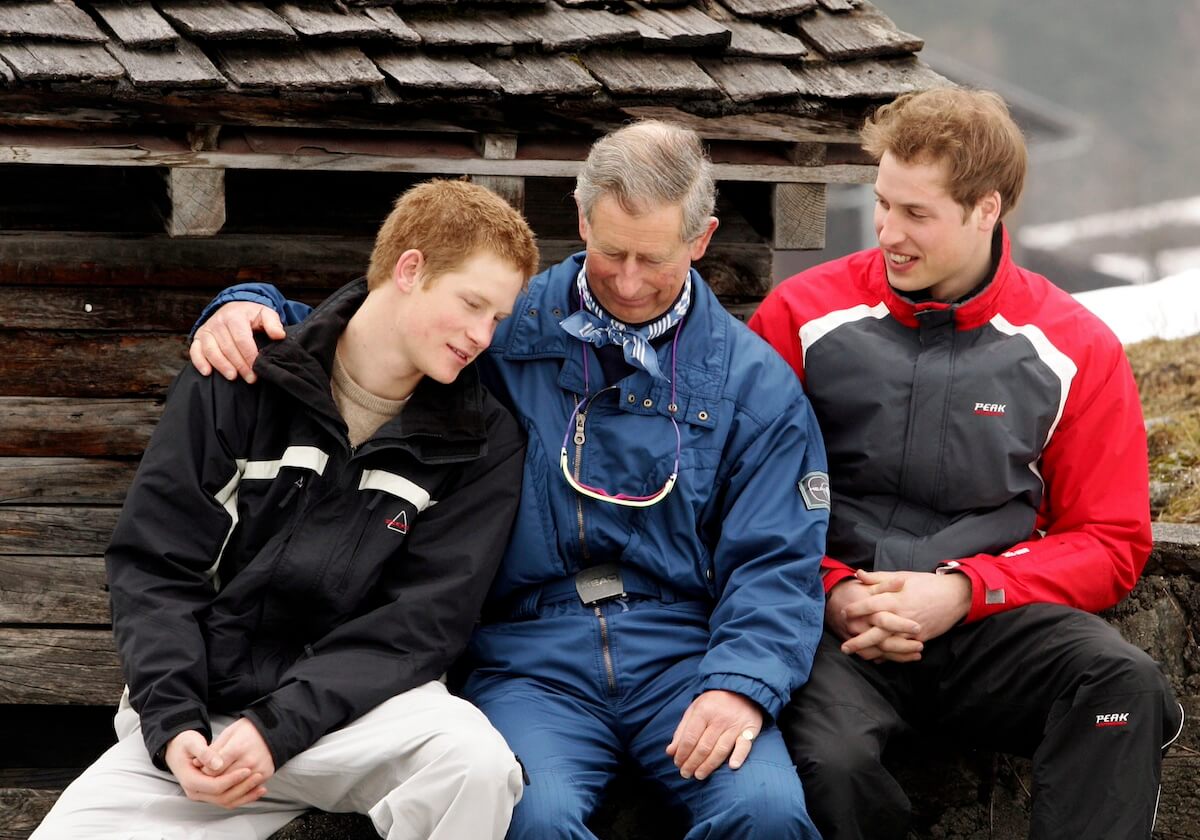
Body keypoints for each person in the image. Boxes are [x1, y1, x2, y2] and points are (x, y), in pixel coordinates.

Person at [189, 121, 829, 839]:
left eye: (653, 259)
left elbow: (778, 560)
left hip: (686, 653)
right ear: (581, 217)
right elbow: (378, 329)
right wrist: (252, 305)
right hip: (527, 658)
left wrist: (740, 685)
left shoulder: (756, 386)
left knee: (766, 811)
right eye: (610, 250)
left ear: (701, 238)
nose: (626, 280)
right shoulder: (503, 325)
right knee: (531, 815)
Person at [33, 179, 540, 840]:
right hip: (202, 714)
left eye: (496, 318)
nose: (481, 335)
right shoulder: (241, 375)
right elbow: (156, 568)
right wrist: (173, 725)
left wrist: (281, 724)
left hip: (357, 719)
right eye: (472, 304)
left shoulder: (482, 438)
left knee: (473, 764)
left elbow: (423, 622)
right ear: (410, 269)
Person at [750, 87, 1185, 839]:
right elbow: (743, 497)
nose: (888, 231)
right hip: (830, 628)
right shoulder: (798, 316)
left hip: (991, 622)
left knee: (1122, 687)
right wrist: (837, 593)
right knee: (832, 763)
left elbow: (1111, 540)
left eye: (917, 214)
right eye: (883, 203)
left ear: (987, 210)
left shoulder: (1075, 346)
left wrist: (964, 590)